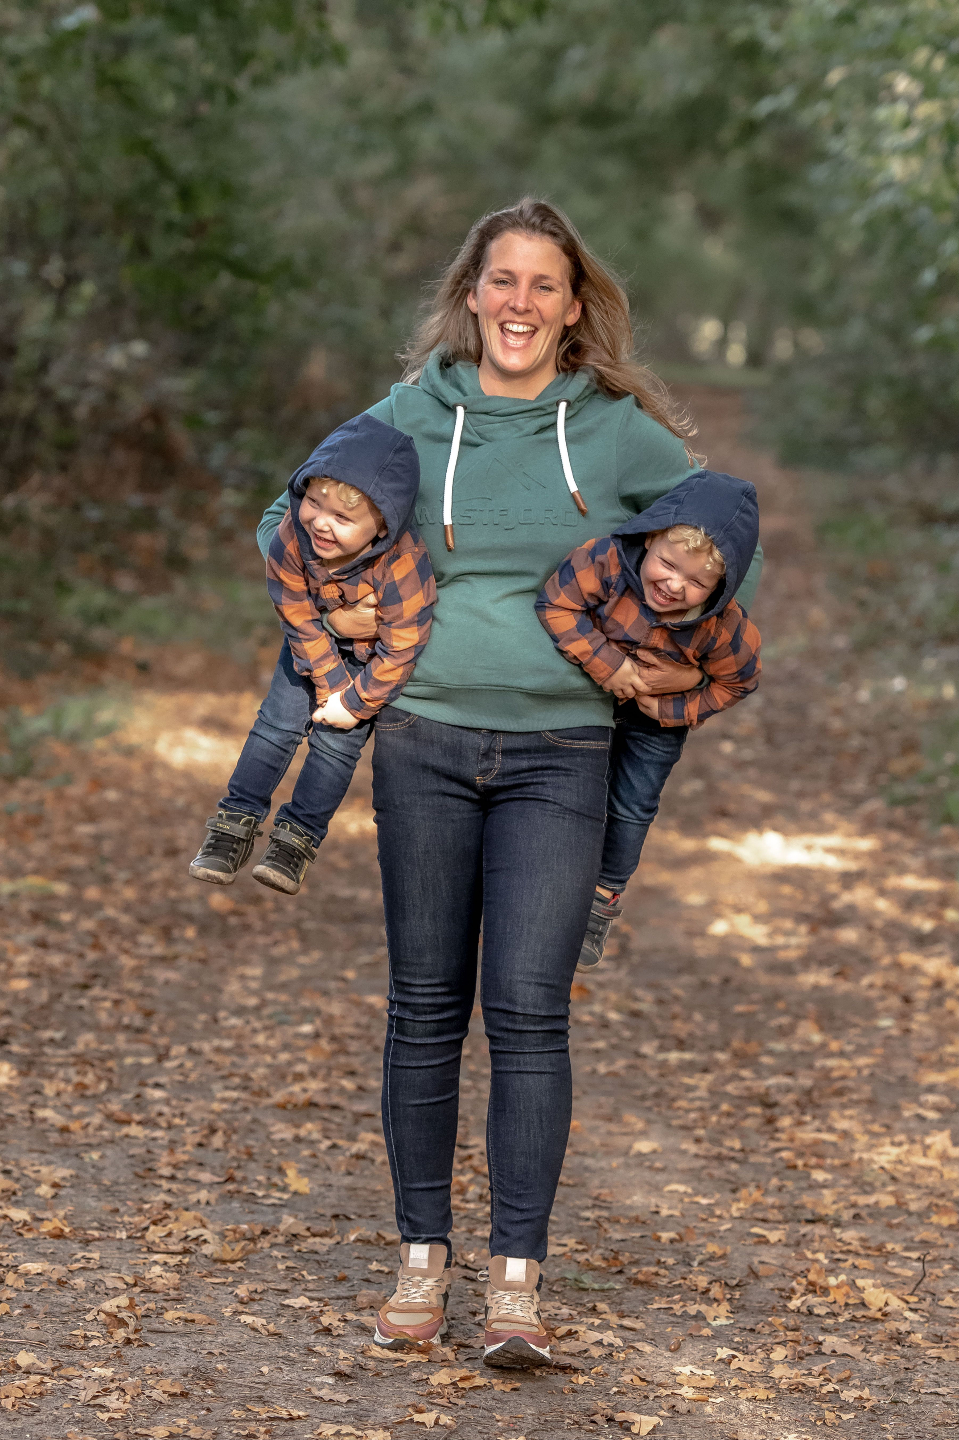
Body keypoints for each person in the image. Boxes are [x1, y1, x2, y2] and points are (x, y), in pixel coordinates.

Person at [256, 199, 762, 1368]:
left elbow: (716, 536)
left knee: (531, 1013)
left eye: (542, 283)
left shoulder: (619, 435)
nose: (518, 303)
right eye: (501, 280)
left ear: (571, 306)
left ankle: (516, 1289)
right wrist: (338, 622)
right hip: (423, 739)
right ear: (471, 294)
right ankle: (419, 1262)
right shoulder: (409, 416)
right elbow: (285, 514)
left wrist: (672, 663)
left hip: (562, 753)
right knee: (424, 1008)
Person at [190, 413, 434, 896]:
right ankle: (234, 822)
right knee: (275, 726)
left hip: (371, 662)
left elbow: (403, 645)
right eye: (314, 503)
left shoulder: (403, 564)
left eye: (342, 518)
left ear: (381, 525)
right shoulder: (292, 536)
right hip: (310, 639)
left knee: (336, 744)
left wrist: (355, 702)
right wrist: (328, 680)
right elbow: (294, 609)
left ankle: (297, 839)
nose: (320, 522)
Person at [536, 469, 762, 969]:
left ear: (721, 586)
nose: (674, 585)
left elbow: (739, 681)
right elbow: (556, 602)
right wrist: (608, 664)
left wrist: (673, 708)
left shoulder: (724, 628)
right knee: (568, 792)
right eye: (668, 564)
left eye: (697, 582)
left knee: (633, 805)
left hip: (656, 723)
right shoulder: (607, 562)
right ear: (651, 536)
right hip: (588, 699)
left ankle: (602, 900)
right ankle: (545, 890)